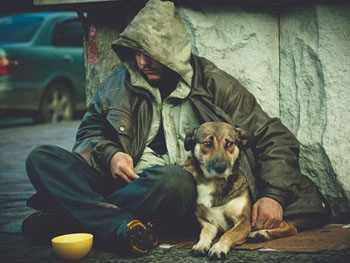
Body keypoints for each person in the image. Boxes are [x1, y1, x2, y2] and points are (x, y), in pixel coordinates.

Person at [22, 0, 329, 257]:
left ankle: (69, 217)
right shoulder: (118, 83)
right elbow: (89, 133)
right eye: (136, 52)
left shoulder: (213, 83)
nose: (142, 62)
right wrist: (112, 154)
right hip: (123, 187)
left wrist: (274, 195)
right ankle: (116, 224)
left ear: (173, 50)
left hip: (175, 190)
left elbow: (274, 137)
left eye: (152, 53)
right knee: (41, 158)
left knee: (173, 179)